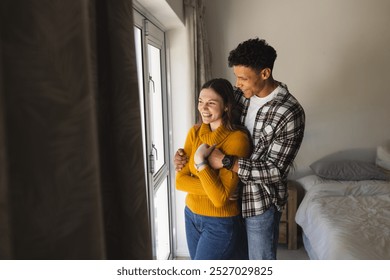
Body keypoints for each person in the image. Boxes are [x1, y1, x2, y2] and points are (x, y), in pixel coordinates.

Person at [175, 38, 305, 260]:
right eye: (236, 76)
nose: (237, 84)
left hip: (258, 202)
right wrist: (185, 156)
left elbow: (275, 170)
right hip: (225, 202)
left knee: (257, 264)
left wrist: (228, 163)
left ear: (265, 73)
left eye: (243, 78)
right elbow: (212, 119)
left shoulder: (289, 112)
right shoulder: (238, 97)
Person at [175, 78, 251, 260]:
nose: (203, 108)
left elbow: (219, 201)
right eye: (201, 102)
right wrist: (217, 189)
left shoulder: (237, 140)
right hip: (191, 215)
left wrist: (201, 162)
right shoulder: (194, 133)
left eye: (211, 103)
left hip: (220, 222)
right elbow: (180, 182)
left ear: (226, 106)